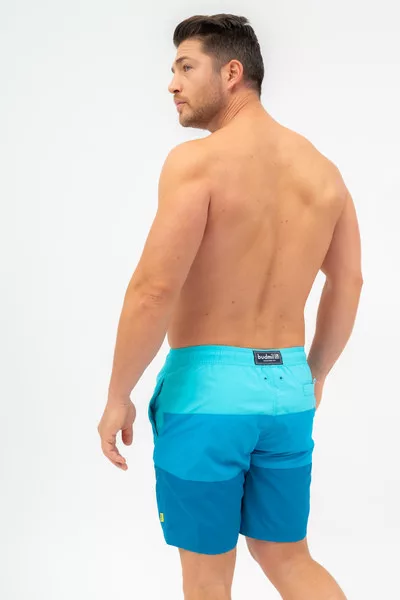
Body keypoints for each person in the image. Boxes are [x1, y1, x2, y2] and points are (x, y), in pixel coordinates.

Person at [97, 13, 363, 600]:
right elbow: (349, 282)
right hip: (288, 390)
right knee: (289, 558)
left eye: (185, 67)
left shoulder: (198, 162)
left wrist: (119, 395)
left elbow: (153, 289)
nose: (172, 84)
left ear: (232, 73)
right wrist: (315, 373)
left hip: (207, 396)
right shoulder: (324, 173)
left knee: (208, 578)